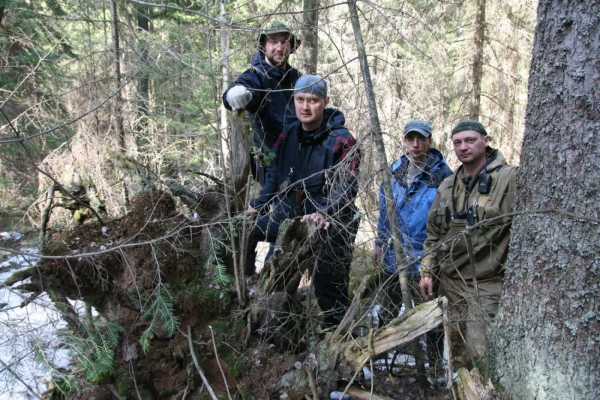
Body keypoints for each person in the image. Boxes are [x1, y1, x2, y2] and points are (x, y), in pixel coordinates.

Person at [247, 75, 360, 328]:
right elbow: (274, 173)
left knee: (328, 290)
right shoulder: (290, 133)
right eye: (300, 100)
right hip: (290, 212)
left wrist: (325, 212)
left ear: (325, 102)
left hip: (332, 222)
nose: (305, 107)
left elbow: (347, 184)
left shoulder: (342, 139)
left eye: (313, 100)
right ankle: (262, 316)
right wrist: (260, 203)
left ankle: (339, 339)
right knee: (253, 240)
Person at [419, 120, 518, 369]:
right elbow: (433, 233)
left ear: (486, 141)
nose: (463, 147)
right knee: (457, 352)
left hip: (486, 285)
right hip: (450, 283)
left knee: (481, 353)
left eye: (470, 140)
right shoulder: (448, 185)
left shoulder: (509, 179)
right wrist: (428, 270)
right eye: (457, 142)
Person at [371, 119, 452, 373]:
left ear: (430, 141)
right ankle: (376, 358)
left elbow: (445, 221)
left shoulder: (443, 176)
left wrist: (435, 258)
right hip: (395, 256)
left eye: (421, 139)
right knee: (388, 307)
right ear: (404, 141)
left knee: (429, 316)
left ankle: (436, 368)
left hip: (425, 258)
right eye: (410, 139)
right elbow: (386, 210)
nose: (415, 144)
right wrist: (379, 242)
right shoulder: (394, 170)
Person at [223, 20, 301, 185]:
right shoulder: (256, 75)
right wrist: (235, 95)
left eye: (284, 42)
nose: (279, 47)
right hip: (269, 162)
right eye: (273, 41)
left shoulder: (296, 77)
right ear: (263, 46)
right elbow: (240, 91)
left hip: (298, 158)